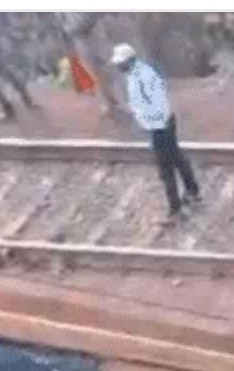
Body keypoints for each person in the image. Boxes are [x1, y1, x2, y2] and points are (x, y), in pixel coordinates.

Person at [111, 43, 201, 221]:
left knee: (165, 168)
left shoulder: (144, 75)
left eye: (120, 63)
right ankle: (192, 191)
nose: (118, 66)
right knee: (176, 157)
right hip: (160, 124)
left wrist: (155, 124)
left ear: (129, 60)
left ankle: (176, 208)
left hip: (160, 126)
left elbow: (157, 101)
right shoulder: (135, 75)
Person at [55, 12, 120, 115]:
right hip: (82, 38)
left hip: (93, 33)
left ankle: (112, 99)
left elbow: (79, 23)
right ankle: (109, 99)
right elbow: (63, 25)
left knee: (105, 68)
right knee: (96, 72)